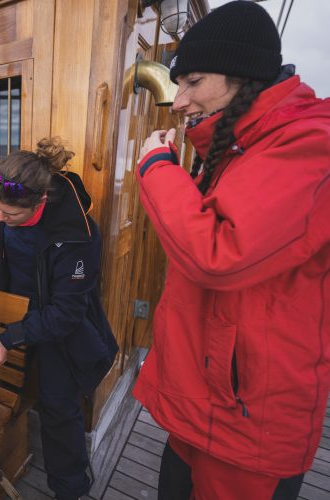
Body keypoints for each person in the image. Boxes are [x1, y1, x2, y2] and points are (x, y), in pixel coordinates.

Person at [133, 2, 330, 499]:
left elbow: (218, 253)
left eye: (193, 81)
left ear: (244, 76)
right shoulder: (235, 146)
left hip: (249, 421)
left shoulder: (309, 142)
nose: (179, 101)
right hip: (206, 400)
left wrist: (156, 167)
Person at [0, 138, 118, 499]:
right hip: (17, 313)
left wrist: (11, 338)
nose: (2, 218)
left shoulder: (77, 235)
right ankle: (10, 456)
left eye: (11, 215)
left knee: (59, 405)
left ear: (40, 202)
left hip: (58, 325)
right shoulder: (4, 209)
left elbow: (67, 313)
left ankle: (70, 487)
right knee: (12, 388)